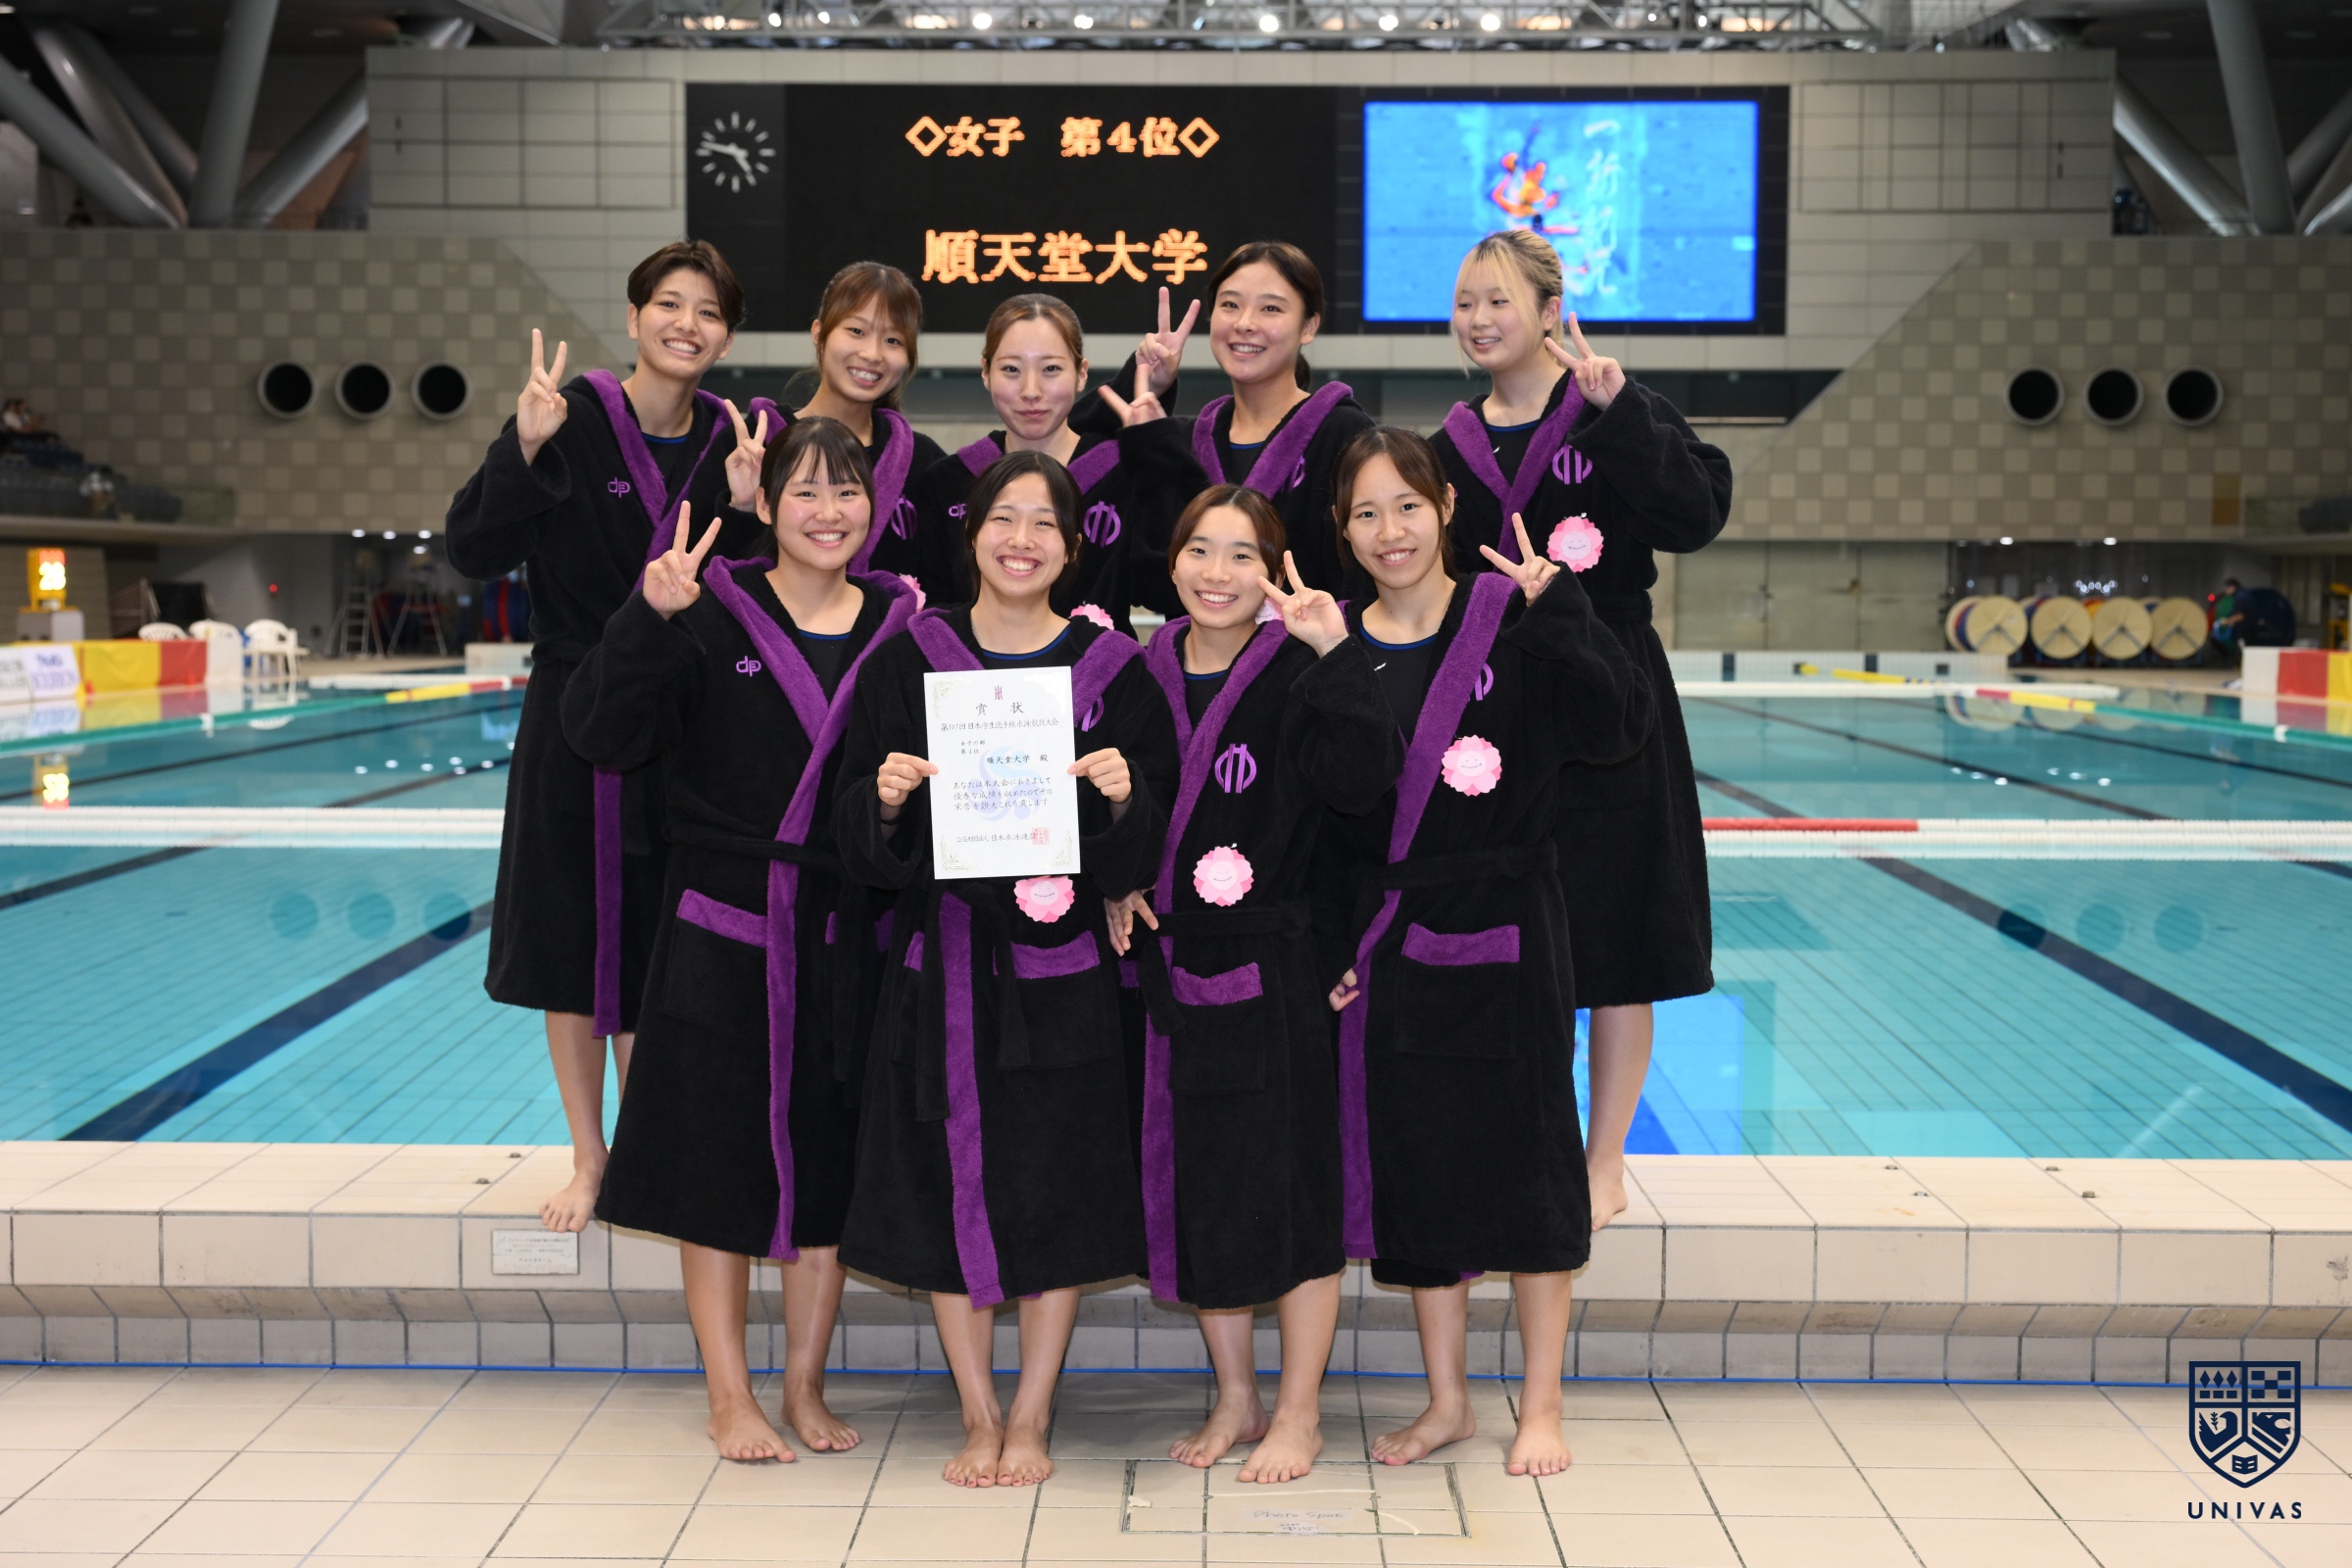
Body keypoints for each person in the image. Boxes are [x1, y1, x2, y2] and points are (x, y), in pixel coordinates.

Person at [563, 417, 915, 1462]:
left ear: (875, 508)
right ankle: (729, 1393)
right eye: (804, 490)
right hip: (723, 922)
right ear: (763, 502)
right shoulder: (708, 607)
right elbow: (600, 733)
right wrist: (645, 618)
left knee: (827, 1167)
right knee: (715, 1167)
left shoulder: (902, 628)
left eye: (847, 492)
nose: (827, 512)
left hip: (844, 927)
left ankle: (803, 1384)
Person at [832, 448, 1178, 1489]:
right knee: (944, 1182)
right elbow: (858, 838)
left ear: (1072, 548)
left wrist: (1122, 799)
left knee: (1057, 1182)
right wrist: (885, 800)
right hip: (941, 966)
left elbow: (1145, 845)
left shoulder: (1114, 670)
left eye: (1044, 524)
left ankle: (1031, 1414)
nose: (1021, 540)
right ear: (971, 532)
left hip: (1063, 969)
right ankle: (978, 1411)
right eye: (1002, 519)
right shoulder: (907, 660)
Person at [1319, 426, 1651, 1477]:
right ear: (1343, 531)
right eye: (1366, 513)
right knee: (1421, 1171)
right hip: (1397, 939)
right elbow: (1328, 820)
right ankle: (1449, 1402)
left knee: (1532, 1164)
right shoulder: (1339, 644)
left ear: (1446, 508)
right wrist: (1338, 943)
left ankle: (1542, 1402)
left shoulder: (1510, 615)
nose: (1390, 531)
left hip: (1510, 927)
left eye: (1407, 507)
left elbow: (1618, 729)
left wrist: (1567, 613)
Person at [447, 239, 771, 1233]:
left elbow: (748, 596)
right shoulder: (574, 416)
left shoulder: (734, 443)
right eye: (669, 304)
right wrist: (524, 448)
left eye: (708, 311)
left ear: (727, 335)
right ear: (633, 318)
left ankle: (651, 1147)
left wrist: (749, 511)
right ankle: (591, 1156)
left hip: (684, 721)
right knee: (576, 940)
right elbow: (473, 551)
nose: (687, 324)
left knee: (666, 938)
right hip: (576, 718)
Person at [1425, 229, 1733, 1232]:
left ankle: (1607, 1160)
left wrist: (1623, 410)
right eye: (1465, 302)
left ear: (1552, 310)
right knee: (1516, 930)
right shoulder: (1446, 450)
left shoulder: (1612, 410)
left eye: (1498, 300)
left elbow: (1695, 516)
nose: (1478, 320)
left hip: (1613, 692)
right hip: (1498, 705)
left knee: (1618, 934)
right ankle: (1533, 1142)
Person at [1102, 484, 1398, 1483]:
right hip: (1167, 969)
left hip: (1278, 968)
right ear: (1172, 561)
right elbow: (1110, 804)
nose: (1217, 573)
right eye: (1199, 549)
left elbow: (1365, 791)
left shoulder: (1301, 668)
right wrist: (1117, 879)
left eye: (1242, 555)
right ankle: (1235, 1394)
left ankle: (1300, 1411)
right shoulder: (1141, 669)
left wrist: (1338, 654)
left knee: (1294, 1190)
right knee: (1201, 1185)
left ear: (1274, 572)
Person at [905, 291, 1197, 634]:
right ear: (985, 372)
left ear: (1082, 373)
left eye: (1051, 369)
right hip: (973, 667)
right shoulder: (948, 479)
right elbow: (935, 607)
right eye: (1011, 369)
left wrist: (1156, 449)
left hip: (1102, 665)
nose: (1031, 391)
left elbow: (1167, 590)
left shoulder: (1124, 472)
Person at [1123, 242, 1375, 599]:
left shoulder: (1345, 436)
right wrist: (1150, 392)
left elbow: (1362, 580)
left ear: (1309, 326)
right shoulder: (1185, 441)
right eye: (1230, 305)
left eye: (1270, 308)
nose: (1244, 324)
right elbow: (1154, 586)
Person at [747, 261, 947, 573]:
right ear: (819, 333)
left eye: (893, 340)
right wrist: (740, 506)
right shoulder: (753, 441)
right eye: (856, 331)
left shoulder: (924, 463)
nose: (872, 354)